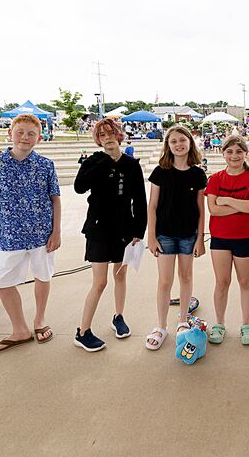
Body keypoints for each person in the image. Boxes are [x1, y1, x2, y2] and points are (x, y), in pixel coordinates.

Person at [0, 113, 61, 354]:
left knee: (43, 276)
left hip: (42, 235)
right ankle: (20, 329)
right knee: (2, 283)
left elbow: (55, 200)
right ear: (10, 134)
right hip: (10, 236)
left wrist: (57, 231)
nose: (25, 137)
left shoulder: (46, 165)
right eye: (20, 132)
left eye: (31, 133)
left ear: (39, 138)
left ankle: (39, 320)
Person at [73, 118, 147, 352]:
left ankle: (118, 316)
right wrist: (106, 161)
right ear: (98, 139)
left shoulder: (132, 164)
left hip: (124, 230)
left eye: (110, 133)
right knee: (100, 282)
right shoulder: (93, 161)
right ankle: (83, 331)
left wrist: (139, 230)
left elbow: (139, 200)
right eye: (102, 135)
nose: (107, 137)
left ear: (119, 134)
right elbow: (79, 186)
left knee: (120, 276)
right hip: (97, 228)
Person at [145, 125, 207, 350]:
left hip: (188, 235)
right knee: (164, 281)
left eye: (182, 140)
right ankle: (161, 326)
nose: (178, 144)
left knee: (186, 275)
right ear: (168, 145)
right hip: (165, 235)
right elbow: (152, 206)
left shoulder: (198, 174)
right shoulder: (161, 172)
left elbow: (201, 209)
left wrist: (200, 238)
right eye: (174, 141)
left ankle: (182, 321)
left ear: (190, 142)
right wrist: (151, 236)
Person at [205, 135, 249, 346]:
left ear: (245, 153)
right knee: (222, 282)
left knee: (245, 282)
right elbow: (213, 209)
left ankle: (246, 324)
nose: (234, 156)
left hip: (244, 238)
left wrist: (228, 200)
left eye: (239, 151)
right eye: (229, 152)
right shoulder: (215, 179)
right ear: (223, 154)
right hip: (220, 239)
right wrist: (242, 204)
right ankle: (219, 324)